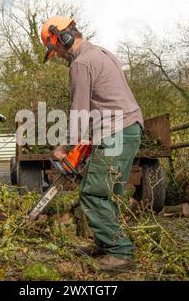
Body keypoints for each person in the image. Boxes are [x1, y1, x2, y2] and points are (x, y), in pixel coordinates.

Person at [41, 16, 144, 272]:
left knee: (92, 192)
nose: (60, 56)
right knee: (109, 191)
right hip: (128, 128)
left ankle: (121, 252)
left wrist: (66, 147)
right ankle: (105, 244)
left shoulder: (81, 62)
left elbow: (79, 109)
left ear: (61, 38)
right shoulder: (102, 52)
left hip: (116, 131)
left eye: (56, 50)